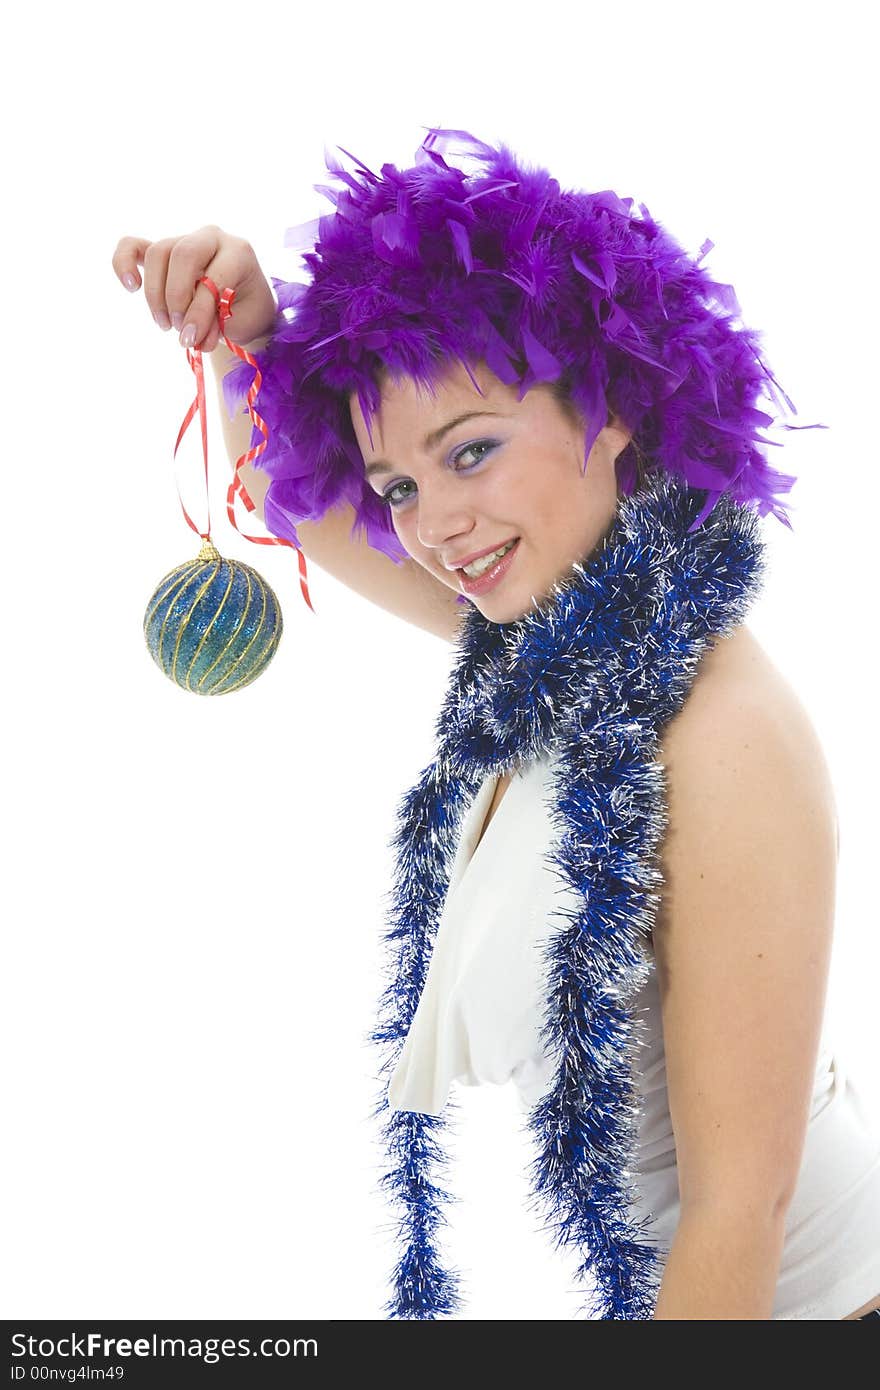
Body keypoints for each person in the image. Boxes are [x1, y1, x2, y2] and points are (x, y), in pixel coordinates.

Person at [112, 127, 880, 1320]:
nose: (434, 526)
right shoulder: (563, 649)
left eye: (472, 450)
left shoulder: (720, 733)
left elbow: (740, 1212)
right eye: (402, 484)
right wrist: (245, 337)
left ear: (615, 408)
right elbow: (296, 502)